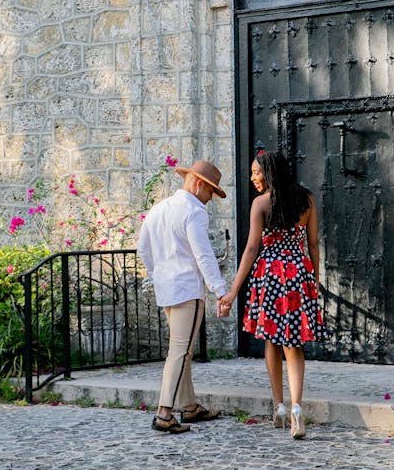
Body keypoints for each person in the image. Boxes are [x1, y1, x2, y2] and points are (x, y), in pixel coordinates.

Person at [219, 150, 328, 439]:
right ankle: (296, 408)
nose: (253, 177)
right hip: (298, 274)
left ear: (270, 172)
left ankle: (279, 406)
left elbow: (252, 249)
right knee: (294, 345)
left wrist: (233, 290)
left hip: (269, 276)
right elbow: (314, 244)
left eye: (257, 172)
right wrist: (313, 280)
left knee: (271, 339)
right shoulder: (307, 199)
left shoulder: (261, 204)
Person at [138, 159, 228, 434]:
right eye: (211, 192)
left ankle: (189, 406)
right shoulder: (194, 211)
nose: (210, 199)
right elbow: (203, 254)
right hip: (187, 289)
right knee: (180, 350)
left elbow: (143, 249)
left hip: (167, 288)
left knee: (183, 349)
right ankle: (164, 413)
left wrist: (159, 274)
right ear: (199, 183)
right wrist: (220, 290)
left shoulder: (159, 208)